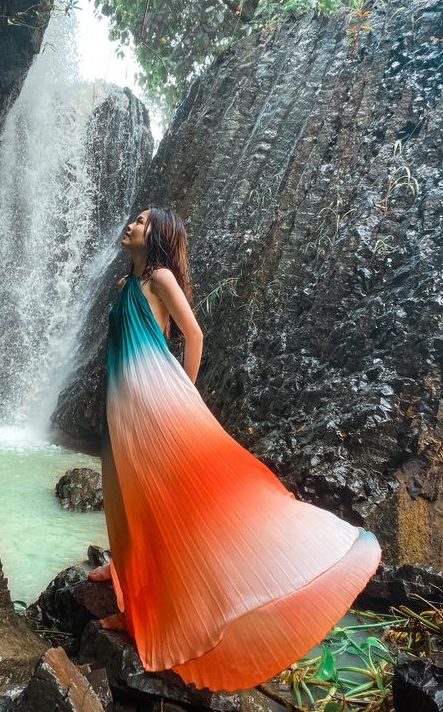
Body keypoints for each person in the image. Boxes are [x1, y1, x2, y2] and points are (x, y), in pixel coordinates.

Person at [89, 205, 381, 692]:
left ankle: (144, 616)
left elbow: (195, 334)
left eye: (142, 221)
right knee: (122, 494)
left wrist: (183, 390)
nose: (132, 224)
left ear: (158, 235)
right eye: (134, 219)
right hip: (120, 408)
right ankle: (122, 575)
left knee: (160, 503)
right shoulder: (125, 289)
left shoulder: (160, 278)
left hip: (157, 409)